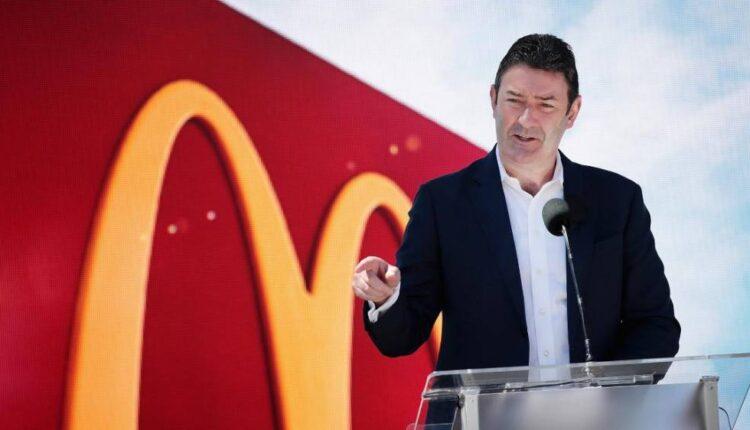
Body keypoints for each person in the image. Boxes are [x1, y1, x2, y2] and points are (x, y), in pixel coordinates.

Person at [351, 34, 680, 372]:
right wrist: (385, 297)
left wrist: (607, 394)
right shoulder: (443, 204)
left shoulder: (617, 201)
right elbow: (403, 336)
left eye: (545, 105)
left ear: (572, 112)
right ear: (493, 99)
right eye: (514, 100)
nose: (525, 119)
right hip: (483, 406)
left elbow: (655, 325)